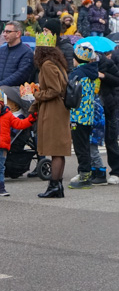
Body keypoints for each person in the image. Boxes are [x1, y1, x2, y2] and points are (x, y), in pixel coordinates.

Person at [31, 30, 71, 198]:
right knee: (58, 151)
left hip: (53, 110)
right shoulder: (57, 63)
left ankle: (54, 186)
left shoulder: (47, 65)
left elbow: (54, 90)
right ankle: (57, 186)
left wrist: (37, 95)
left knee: (55, 149)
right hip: (60, 108)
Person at [88, 48, 119, 186]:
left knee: (111, 139)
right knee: (88, 141)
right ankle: (87, 170)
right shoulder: (83, 64)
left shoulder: (107, 63)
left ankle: (116, 172)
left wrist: (103, 76)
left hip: (107, 105)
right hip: (89, 106)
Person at [67, 43, 99, 190]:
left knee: (80, 146)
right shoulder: (92, 72)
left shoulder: (76, 74)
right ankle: (86, 172)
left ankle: (84, 174)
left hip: (77, 114)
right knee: (85, 144)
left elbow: (70, 94)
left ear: (77, 59)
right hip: (88, 114)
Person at [0, 89, 36, 196]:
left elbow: (19, 124)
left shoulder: (8, 115)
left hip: (3, 147)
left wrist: (31, 119)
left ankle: (1, 188)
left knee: (1, 168)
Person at [0, 22, 34, 88]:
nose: (4, 34)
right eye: (4, 31)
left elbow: (20, 76)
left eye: (8, 32)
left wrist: (1, 85)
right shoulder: (1, 50)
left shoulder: (26, 52)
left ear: (18, 34)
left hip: (14, 91)